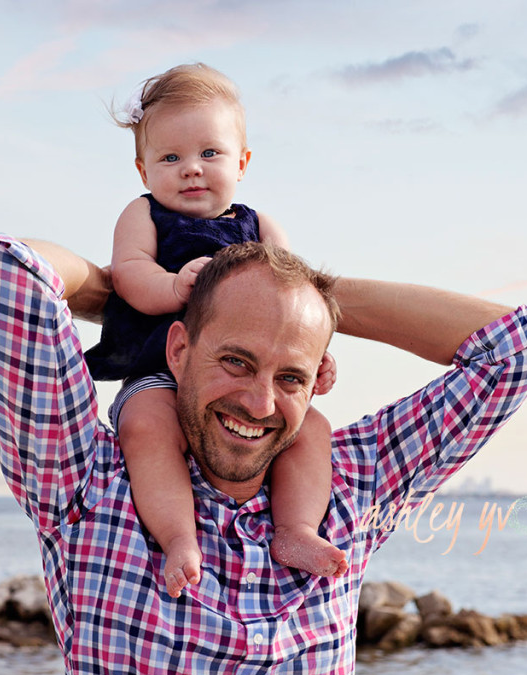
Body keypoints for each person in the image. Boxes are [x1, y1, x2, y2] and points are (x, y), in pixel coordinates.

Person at [0, 235, 527, 675]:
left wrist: (307, 295)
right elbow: (5, 272)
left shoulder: (351, 486)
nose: (260, 401)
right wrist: (145, 291)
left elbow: (520, 347)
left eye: (292, 376)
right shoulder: (84, 483)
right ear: (179, 348)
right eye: (236, 361)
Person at [83, 63, 344, 597]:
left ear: (242, 162)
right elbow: (127, 273)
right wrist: (174, 288)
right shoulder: (144, 214)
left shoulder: (262, 228)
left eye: (210, 154)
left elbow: (295, 305)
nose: (191, 170)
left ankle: (294, 529)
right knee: (148, 426)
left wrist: (315, 356)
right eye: (170, 158)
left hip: (250, 375)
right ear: (143, 170)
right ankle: (180, 536)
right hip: (157, 367)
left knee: (311, 429)